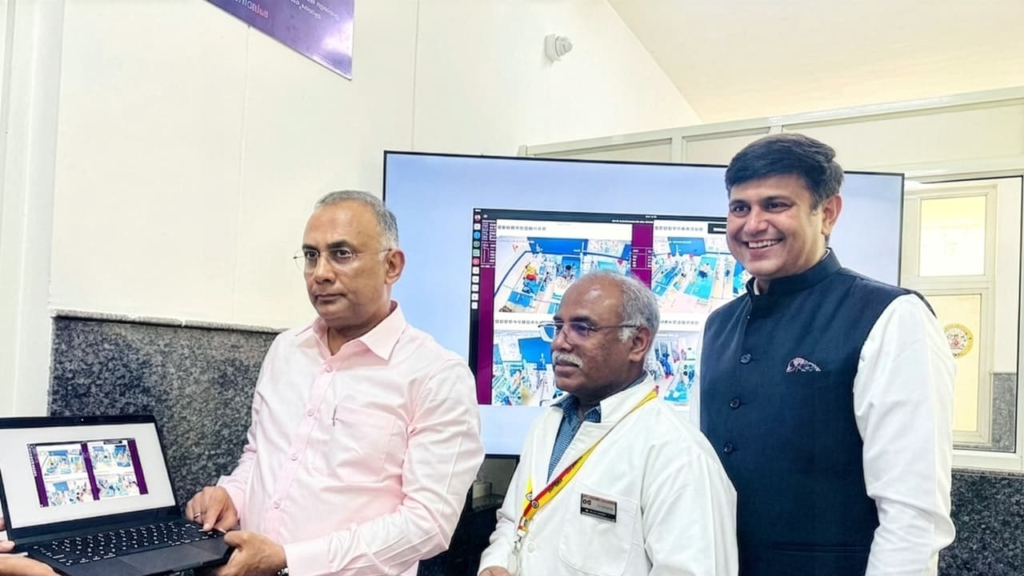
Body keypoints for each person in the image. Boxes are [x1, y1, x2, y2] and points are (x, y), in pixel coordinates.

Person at [186, 190, 484, 576]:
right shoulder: (286, 350)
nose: (321, 273)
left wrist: (291, 560)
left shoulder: (437, 376)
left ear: (392, 266)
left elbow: (427, 525)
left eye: (341, 254)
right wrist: (232, 495)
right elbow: (260, 457)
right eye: (311, 256)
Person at [698, 134, 956, 575]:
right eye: (740, 208)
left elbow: (913, 517)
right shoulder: (719, 325)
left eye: (775, 205)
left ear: (828, 213)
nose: (753, 224)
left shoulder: (891, 316)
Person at [479, 271, 737, 576]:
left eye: (582, 328)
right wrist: (495, 563)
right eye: (558, 327)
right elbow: (515, 521)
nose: (559, 343)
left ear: (637, 343)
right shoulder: (547, 425)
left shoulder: (679, 455)